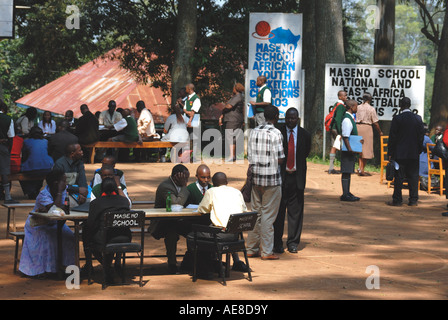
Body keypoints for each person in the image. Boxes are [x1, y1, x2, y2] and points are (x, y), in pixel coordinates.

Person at [191, 172, 250, 276]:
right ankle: (214, 264)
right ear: (227, 182)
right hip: (236, 236)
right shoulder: (237, 192)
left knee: (192, 236)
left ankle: (205, 269)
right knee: (207, 233)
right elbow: (244, 210)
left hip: (220, 235)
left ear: (213, 183)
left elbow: (202, 209)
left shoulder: (211, 192)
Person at [19, 169, 75, 277]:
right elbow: (55, 209)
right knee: (48, 239)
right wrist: (59, 192)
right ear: (56, 183)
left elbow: (63, 208)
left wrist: (59, 204)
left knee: (69, 237)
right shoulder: (43, 194)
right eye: (63, 181)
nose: (66, 183)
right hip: (38, 225)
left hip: (56, 224)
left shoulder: (64, 191)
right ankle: (45, 270)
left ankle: (65, 266)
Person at [246, 105, 285, 260]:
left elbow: (250, 155)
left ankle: (251, 248)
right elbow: (280, 158)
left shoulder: (254, 131)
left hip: (256, 179)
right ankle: (267, 251)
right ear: (275, 117)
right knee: (268, 216)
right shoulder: (276, 133)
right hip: (272, 179)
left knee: (256, 214)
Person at [273, 107, 311, 254]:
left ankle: (293, 242)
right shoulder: (278, 132)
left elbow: (305, 153)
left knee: (295, 213)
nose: (290, 121)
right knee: (279, 212)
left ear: (298, 119)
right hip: (280, 178)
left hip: (296, 178)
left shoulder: (305, 135)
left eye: (293, 118)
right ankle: (277, 243)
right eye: (288, 118)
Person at [82, 177, 131, 284]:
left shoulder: (96, 203)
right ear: (115, 188)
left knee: (87, 235)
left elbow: (91, 224)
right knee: (107, 234)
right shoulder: (124, 201)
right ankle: (110, 266)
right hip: (125, 238)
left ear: (101, 189)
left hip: (105, 238)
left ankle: (106, 267)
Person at [149, 164, 191, 273]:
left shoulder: (181, 185)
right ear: (177, 176)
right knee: (171, 232)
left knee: (195, 230)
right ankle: (172, 263)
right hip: (162, 222)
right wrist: (184, 186)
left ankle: (192, 260)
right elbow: (176, 204)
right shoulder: (165, 186)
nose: (187, 180)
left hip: (179, 220)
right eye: (185, 177)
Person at [387, 97, 424, 207]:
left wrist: (390, 152)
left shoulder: (397, 118)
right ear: (410, 105)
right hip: (413, 153)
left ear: (400, 105)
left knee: (399, 177)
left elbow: (392, 137)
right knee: (413, 177)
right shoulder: (418, 118)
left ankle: (397, 200)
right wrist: (418, 150)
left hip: (400, 153)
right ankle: (413, 200)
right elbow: (421, 136)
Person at [20, 126, 54, 199]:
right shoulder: (45, 141)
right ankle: (36, 189)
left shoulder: (26, 141)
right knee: (40, 168)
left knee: (22, 171)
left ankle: (30, 190)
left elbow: (24, 156)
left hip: (32, 169)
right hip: (46, 168)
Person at [356, 92, 383, 176]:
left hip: (357, 127)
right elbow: (375, 122)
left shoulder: (358, 107)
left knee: (360, 149)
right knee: (366, 149)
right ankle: (362, 169)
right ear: (370, 99)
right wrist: (379, 132)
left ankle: (360, 168)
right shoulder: (371, 109)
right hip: (367, 128)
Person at [340, 100, 362, 202]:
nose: (357, 108)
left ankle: (347, 192)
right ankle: (345, 194)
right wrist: (350, 149)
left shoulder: (350, 118)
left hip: (350, 149)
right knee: (346, 171)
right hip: (347, 150)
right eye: (356, 106)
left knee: (348, 171)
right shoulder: (347, 119)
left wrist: (358, 142)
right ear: (351, 107)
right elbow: (345, 136)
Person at [219, 83, 245, 162]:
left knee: (230, 136)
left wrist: (223, 108)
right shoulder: (238, 97)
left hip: (233, 119)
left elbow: (229, 106)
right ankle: (232, 155)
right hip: (235, 119)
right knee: (233, 137)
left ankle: (231, 155)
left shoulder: (237, 97)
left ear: (236, 89)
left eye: (233, 88)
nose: (232, 89)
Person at [0, 100, 18, 204]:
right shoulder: (8, 119)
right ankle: (7, 196)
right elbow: (11, 135)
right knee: (5, 172)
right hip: (3, 147)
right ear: (3, 108)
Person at [328, 90, 348, 174]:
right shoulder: (341, 106)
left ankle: (331, 167)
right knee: (335, 147)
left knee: (334, 147)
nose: (346, 97)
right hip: (336, 129)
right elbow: (338, 119)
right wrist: (340, 132)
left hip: (334, 128)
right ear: (340, 97)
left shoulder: (337, 104)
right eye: (344, 96)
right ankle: (331, 168)